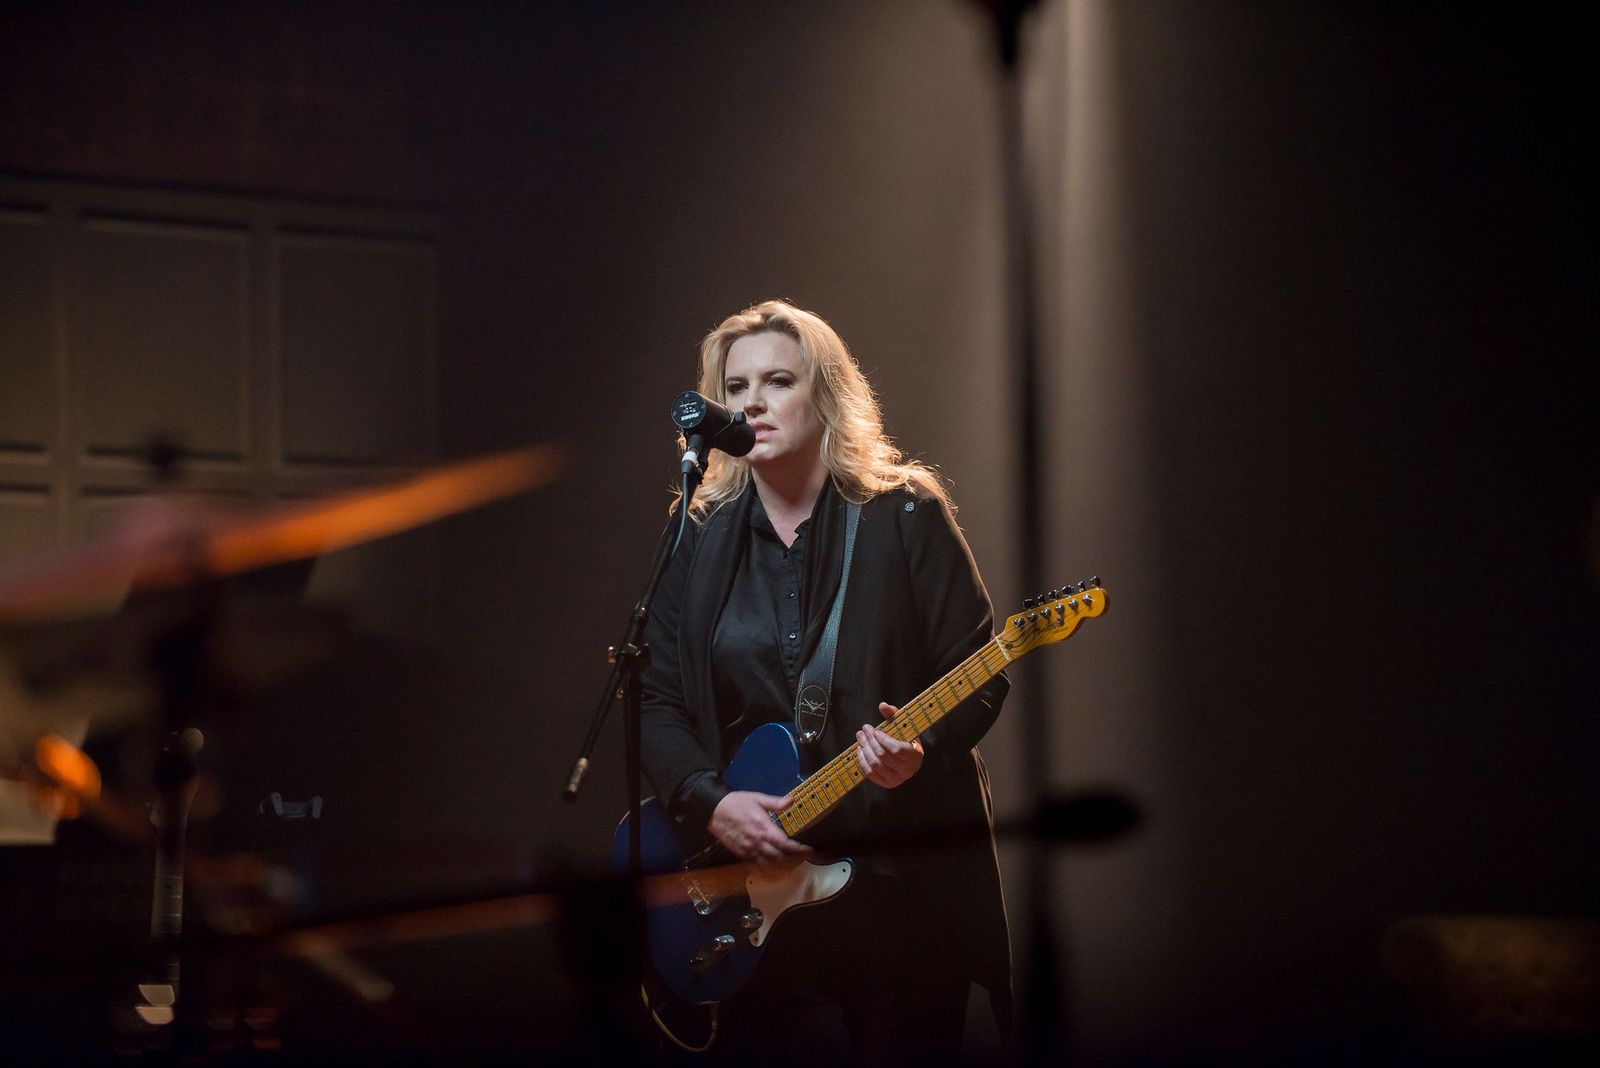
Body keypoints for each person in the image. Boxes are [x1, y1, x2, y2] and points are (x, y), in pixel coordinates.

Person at [639, 299, 1010, 1063]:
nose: (753, 403)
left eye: (779, 381)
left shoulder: (905, 514)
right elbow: (657, 699)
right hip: (756, 890)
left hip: (898, 881)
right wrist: (714, 804)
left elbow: (978, 670)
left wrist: (922, 751)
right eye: (735, 387)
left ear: (827, 395)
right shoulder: (698, 537)